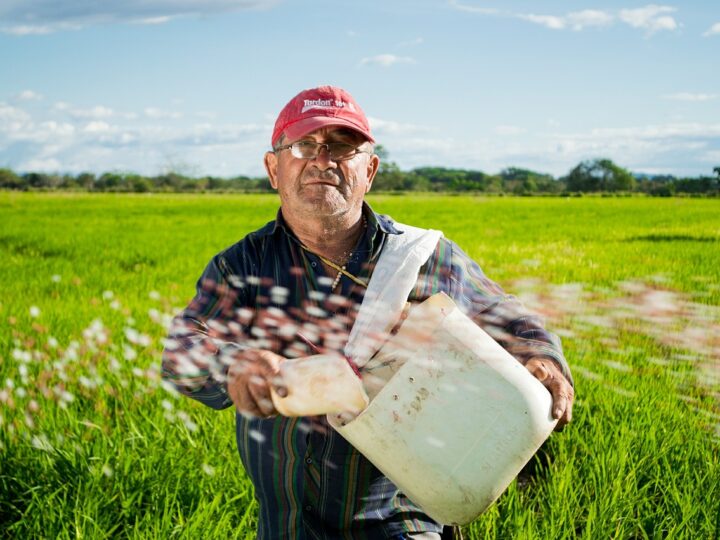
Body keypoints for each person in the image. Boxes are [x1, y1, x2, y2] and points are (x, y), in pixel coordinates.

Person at [161, 85, 574, 539]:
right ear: (273, 168)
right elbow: (181, 350)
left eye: (342, 147)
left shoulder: (420, 256)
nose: (323, 160)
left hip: (402, 520)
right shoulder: (243, 265)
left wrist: (543, 357)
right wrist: (232, 363)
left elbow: (504, 314)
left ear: (369, 170)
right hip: (286, 525)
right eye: (302, 145)